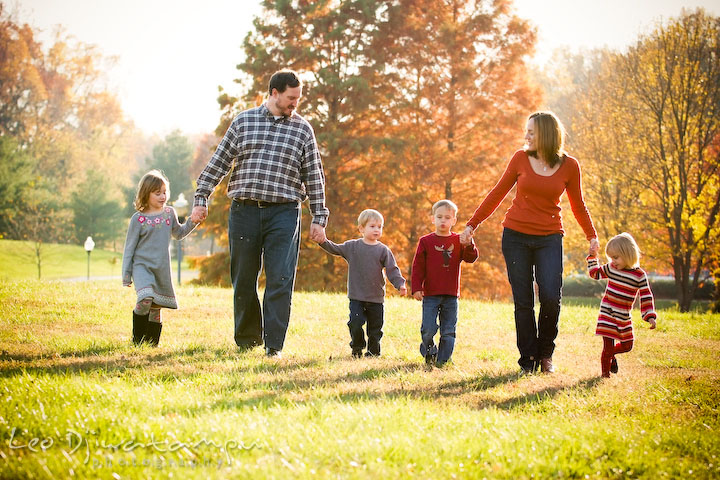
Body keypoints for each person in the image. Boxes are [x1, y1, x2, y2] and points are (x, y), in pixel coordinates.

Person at [191, 69, 329, 357]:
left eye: (298, 98)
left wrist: (319, 218)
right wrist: (201, 196)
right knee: (243, 278)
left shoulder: (303, 129)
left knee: (280, 278)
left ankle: (273, 346)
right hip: (245, 211)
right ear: (274, 93)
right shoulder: (244, 121)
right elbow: (220, 162)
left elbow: (314, 176)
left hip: (284, 212)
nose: (295, 104)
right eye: (291, 98)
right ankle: (247, 340)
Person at [459, 111, 599, 375]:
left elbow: (578, 205)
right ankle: (528, 359)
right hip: (516, 237)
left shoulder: (570, 166)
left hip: (549, 237)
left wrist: (591, 236)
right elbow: (498, 193)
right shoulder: (520, 158)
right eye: (526, 131)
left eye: (531, 132)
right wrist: (471, 224)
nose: (526, 136)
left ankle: (546, 353)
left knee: (550, 296)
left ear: (546, 134)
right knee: (523, 300)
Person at [122, 170, 199, 346]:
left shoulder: (169, 214)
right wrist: (126, 274)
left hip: (161, 267)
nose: (163, 196)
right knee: (145, 299)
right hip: (142, 267)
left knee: (155, 306)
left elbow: (179, 233)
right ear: (146, 194)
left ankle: (152, 344)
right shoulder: (138, 219)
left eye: (164, 192)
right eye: (157, 193)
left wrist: (192, 221)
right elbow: (129, 249)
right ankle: (138, 340)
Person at [316, 209, 407, 358]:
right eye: (372, 226)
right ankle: (357, 348)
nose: (377, 229)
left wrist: (400, 284)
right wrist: (322, 241)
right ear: (361, 229)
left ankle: (373, 352)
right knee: (355, 323)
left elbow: (392, 270)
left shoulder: (383, 250)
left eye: (379, 226)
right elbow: (335, 248)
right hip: (357, 296)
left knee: (375, 328)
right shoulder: (353, 247)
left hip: (376, 298)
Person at [412, 200, 478, 367]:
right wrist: (417, 288)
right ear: (432, 219)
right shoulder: (426, 241)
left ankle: (443, 361)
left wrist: (469, 244)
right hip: (431, 294)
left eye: (447, 217)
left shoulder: (458, 241)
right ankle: (429, 352)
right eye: (439, 217)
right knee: (427, 329)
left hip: (450, 295)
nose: (443, 220)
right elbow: (418, 266)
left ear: (454, 221)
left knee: (448, 331)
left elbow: (471, 258)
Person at [587, 232, 657, 377]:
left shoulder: (639, 275)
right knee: (608, 346)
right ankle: (605, 375)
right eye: (611, 258)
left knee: (627, 345)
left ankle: (610, 356)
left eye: (616, 257)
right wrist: (593, 257)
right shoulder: (612, 268)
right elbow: (595, 273)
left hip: (623, 316)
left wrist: (650, 316)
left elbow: (646, 295)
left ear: (628, 254)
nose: (613, 261)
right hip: (607, 313)